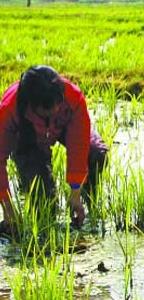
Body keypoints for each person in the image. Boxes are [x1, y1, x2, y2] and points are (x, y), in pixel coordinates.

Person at [0, 65, 108, 235]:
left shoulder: (72, 97)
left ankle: (86, 204)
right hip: (28, 141)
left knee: (96, 153)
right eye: (48, 109)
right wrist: (7, 207)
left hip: (61, 128)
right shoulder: (8, 110)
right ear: (32, 106)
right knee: (44, 203)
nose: (57, 110)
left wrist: (75, 191)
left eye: (59, 104)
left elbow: (79, 144)